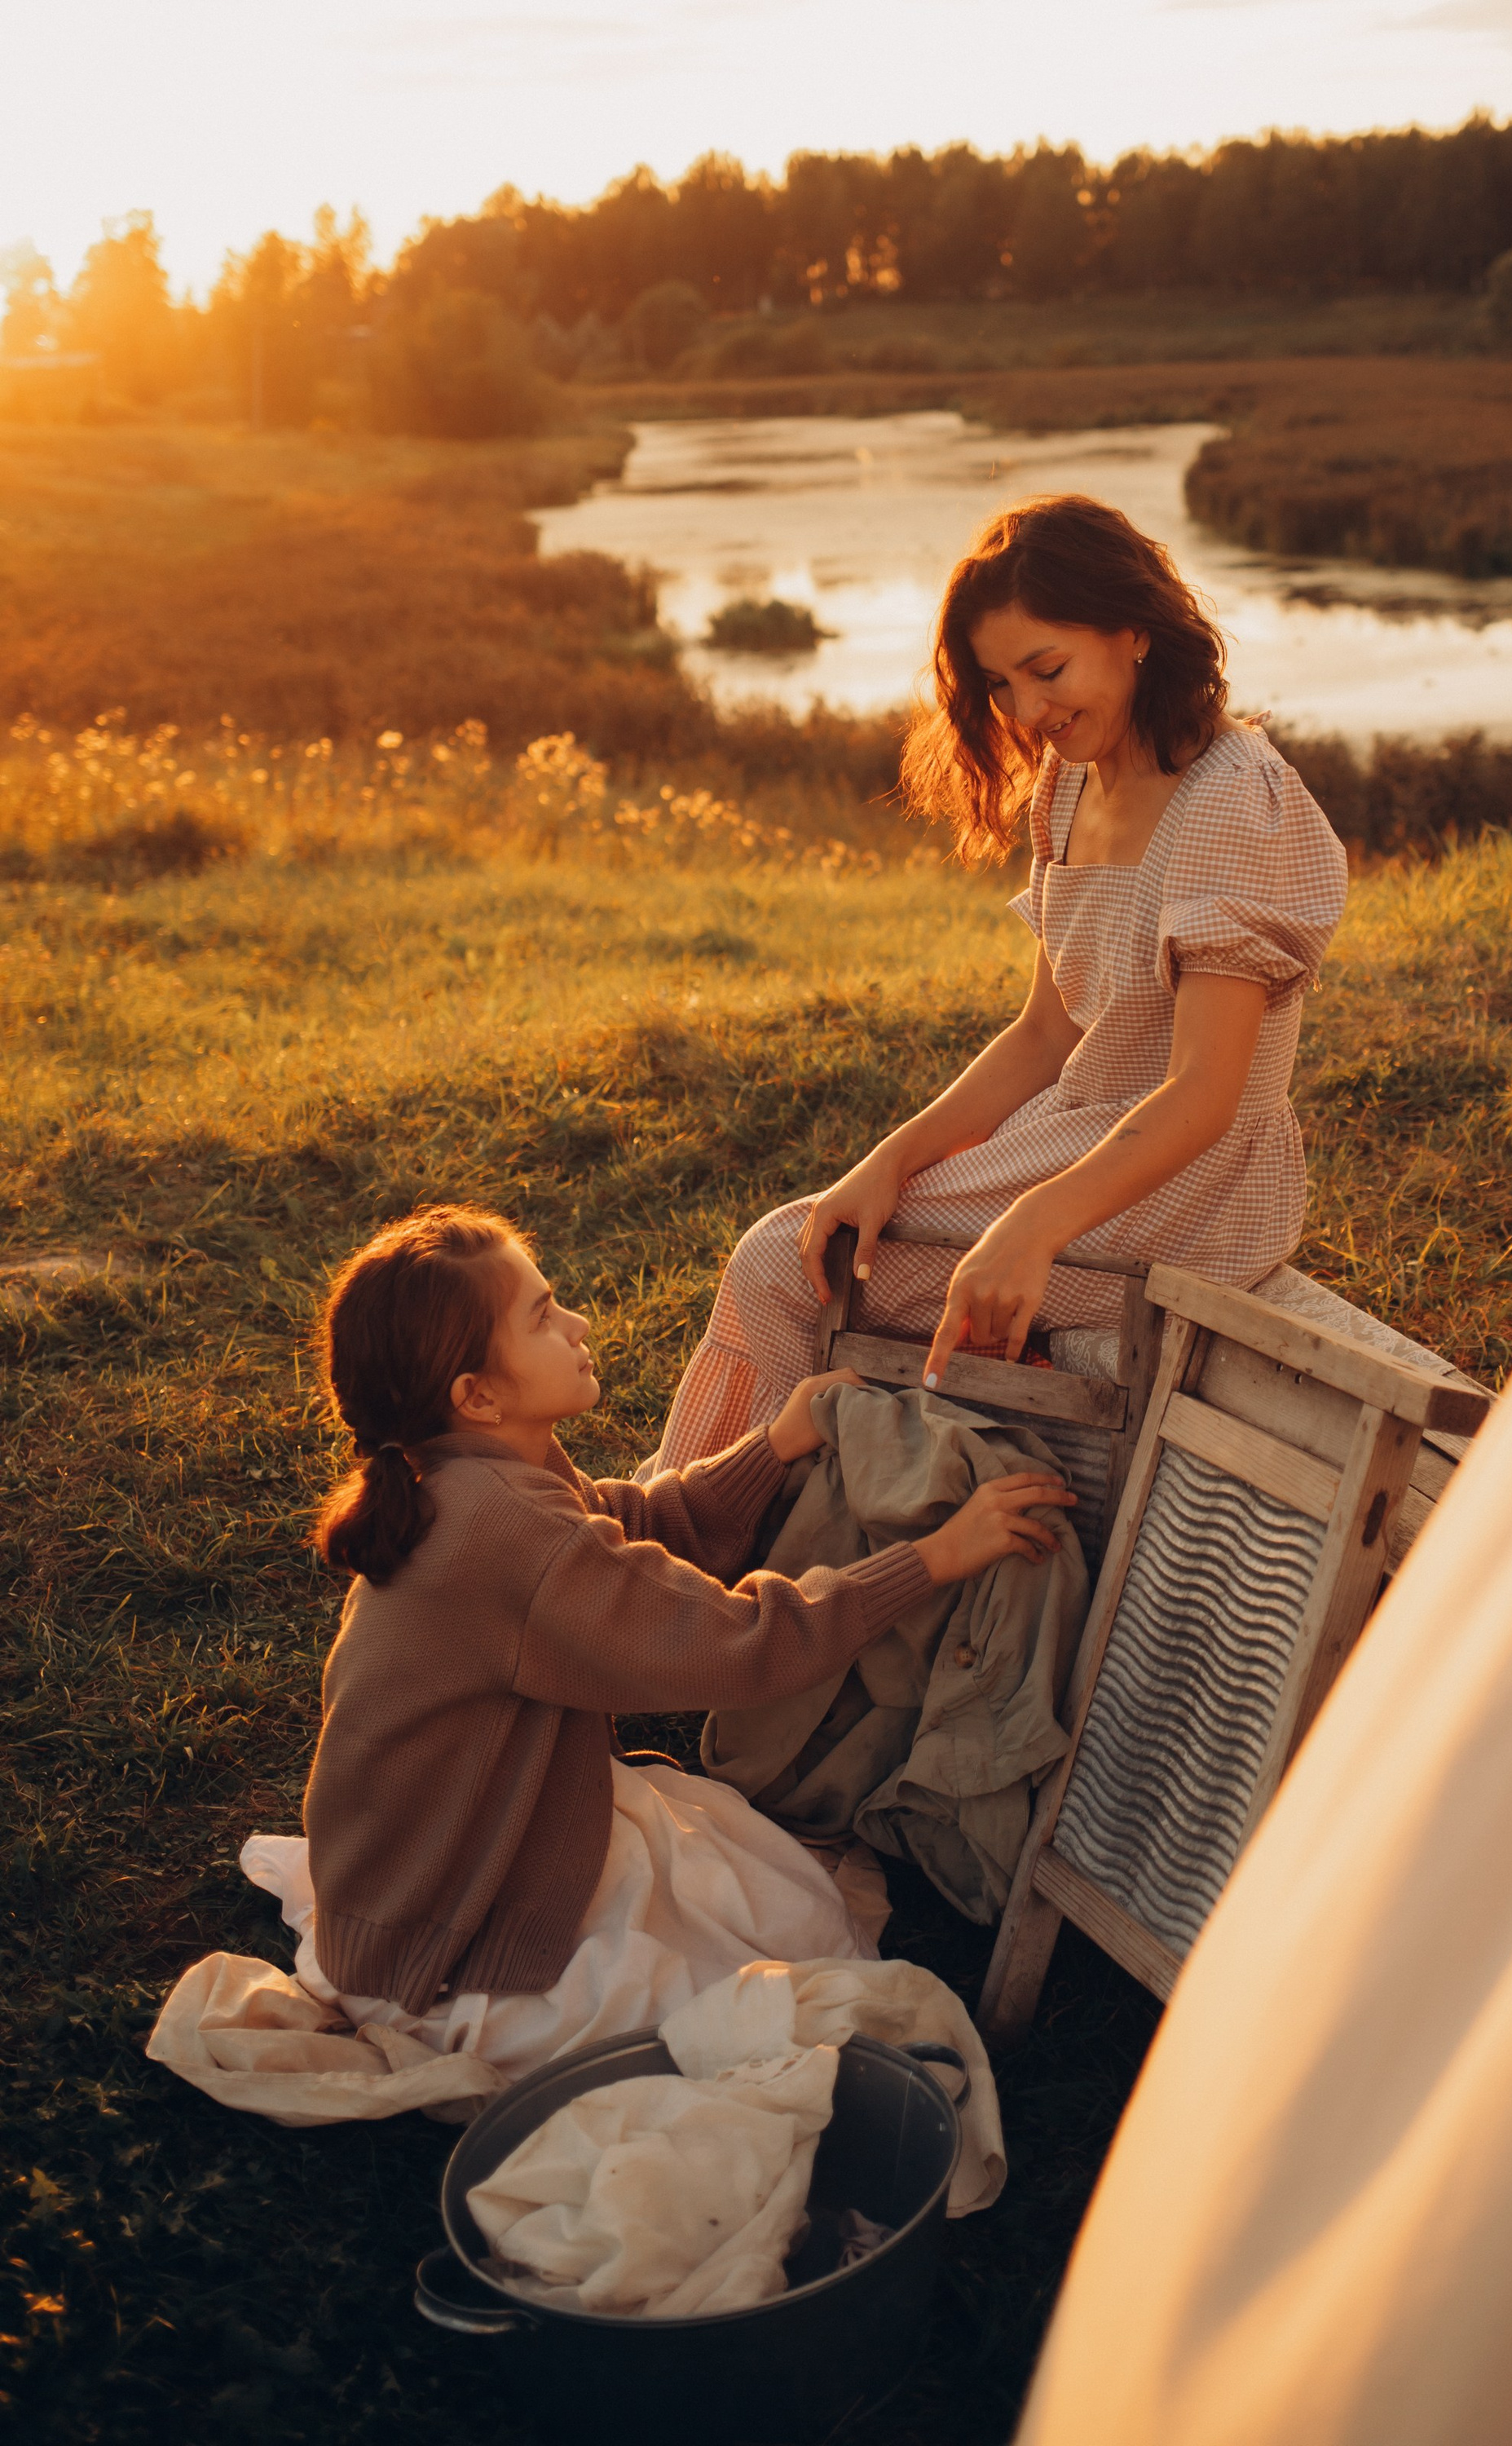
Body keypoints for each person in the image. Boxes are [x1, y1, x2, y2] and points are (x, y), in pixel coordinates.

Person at [245, 1204, 1070, 2075]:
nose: (579, 1325)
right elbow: (733, 1643)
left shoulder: (467, 1473)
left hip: (428, 1855)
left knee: (759, 1887)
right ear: (476, 1396)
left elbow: (624, 1530)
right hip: (448, 1930)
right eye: (543, 1316)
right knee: (772, 1975)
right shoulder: (505, 1531)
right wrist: (934, 1558)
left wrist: (772, 1447)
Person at [654, 494, 1349, 1469]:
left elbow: (1203, 1095)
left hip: (1192, 1192)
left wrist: (1032, 1226)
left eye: (1047, 670)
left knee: (781, 1267)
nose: (1026, 712)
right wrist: (889, 1162)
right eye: (999, 684)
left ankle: (676, 1530)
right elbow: (1044, 1036)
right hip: (1075, 1143)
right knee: (816, 1240)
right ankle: (705, 1522)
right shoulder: (1071, 783)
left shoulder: (1236, 804)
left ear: (1134, 633)